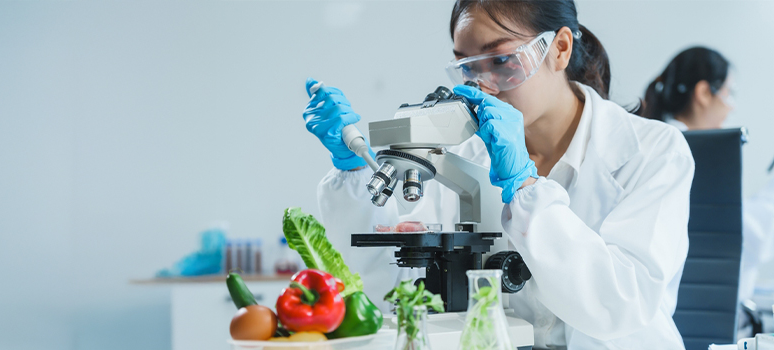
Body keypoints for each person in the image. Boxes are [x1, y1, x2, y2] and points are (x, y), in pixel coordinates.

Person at [302, 0, 694, 348]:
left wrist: (525, 186)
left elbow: (619, 305)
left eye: (502, 61)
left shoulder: (653, 151)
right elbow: (387, 289)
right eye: (468, 66)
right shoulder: (465, 153)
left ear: (559, 48)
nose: (483, 84)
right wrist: (353, 171)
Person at [641, 47, 774, 337]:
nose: (732, 106)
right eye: (729, 93)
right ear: (703, 93)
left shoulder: (654, 141)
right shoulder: (687, 150)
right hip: (696, 328)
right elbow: (751, 238)